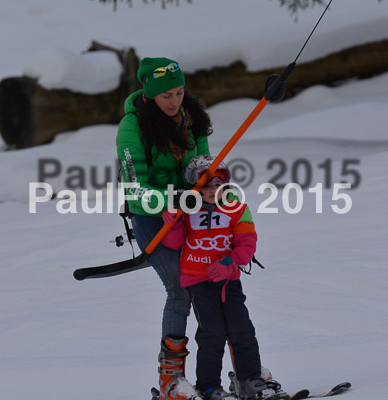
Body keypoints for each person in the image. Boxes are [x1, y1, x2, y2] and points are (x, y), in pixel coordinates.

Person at [116, 57, 213, 400]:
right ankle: (171, 380)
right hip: (150, 216)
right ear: (150, 95)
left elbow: (204, 169)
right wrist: (172, 200)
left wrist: (208, 186)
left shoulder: (192, 118)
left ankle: (232, 372)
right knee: (181, 288)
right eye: (166, 96)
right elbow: (135, 190)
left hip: (191, 212)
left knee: (217, 286)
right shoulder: (132, 127)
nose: (175, 101)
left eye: (180, 92)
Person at [161, 156, 284, 400]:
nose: (212, 191)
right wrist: (172, 224)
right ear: (194, 188)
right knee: (212, 332)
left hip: (229, 281)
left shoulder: (237, 208)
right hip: (198, 281)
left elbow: (247, 243)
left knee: (242, 329)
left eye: (217, 185)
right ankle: (208, 386)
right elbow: (174, 244)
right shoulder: (187, 210)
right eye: (206, 186)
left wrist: (230, 263)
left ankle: (250, 380)